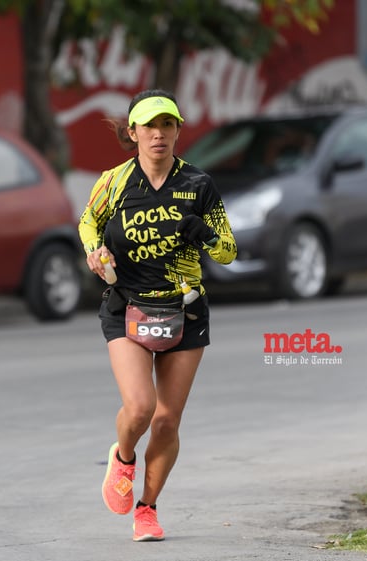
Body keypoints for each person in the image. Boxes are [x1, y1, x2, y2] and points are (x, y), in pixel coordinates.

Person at [79, 89, 237, 541]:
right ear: (133, 132)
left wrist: (203, 231)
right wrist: (95, 251)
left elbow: (228, 252)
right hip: (125, 304)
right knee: (142, 407)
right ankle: (124, 456)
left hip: (185, 311)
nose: (158, 134)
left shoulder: (199, 185)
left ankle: (147, 509)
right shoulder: (113, 181)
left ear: (177, 131)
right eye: (148, 126)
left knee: (167, 420)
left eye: (167, 125)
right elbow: (88, 221)